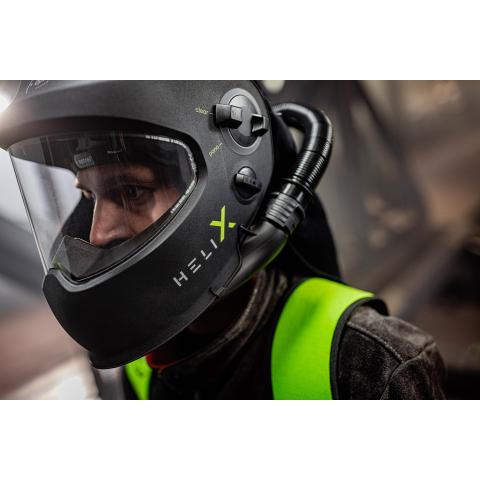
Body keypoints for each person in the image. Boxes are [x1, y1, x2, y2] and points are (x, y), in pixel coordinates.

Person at [0, 80, 446, 399]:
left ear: (228, 187)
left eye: (132, 191)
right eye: (89, 196)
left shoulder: (370, 362)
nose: (97, 233)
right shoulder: (140, 352)